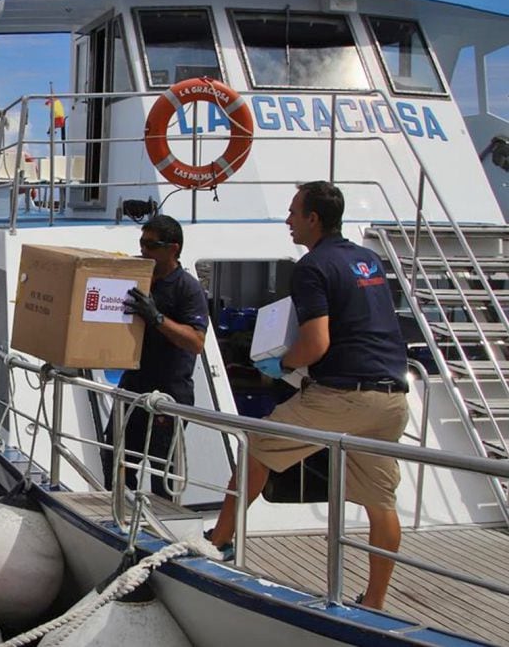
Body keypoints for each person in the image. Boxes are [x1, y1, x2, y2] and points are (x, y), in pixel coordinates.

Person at [210, 181, 409, 611]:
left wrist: (278, 366)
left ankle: (219, 542)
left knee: (256, 446)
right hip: (392, 398)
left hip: (344, 397)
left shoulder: (312, 267)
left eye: (293, 213)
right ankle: (374, 601)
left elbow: (316, 343)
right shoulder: (367, 258)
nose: (288, 221)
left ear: (313, 219)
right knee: (380, 502)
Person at [101, 215, 208, 497]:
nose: (144, 250)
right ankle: (119, 522)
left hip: (169, 396)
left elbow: (197, 342)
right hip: (132, 388)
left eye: (151, 245)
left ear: (172, 249)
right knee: (115, 464)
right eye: (142, 243)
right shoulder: (137, 277)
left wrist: (157, 318)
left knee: (164, 480)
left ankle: (162, 532)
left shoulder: (187, 288)